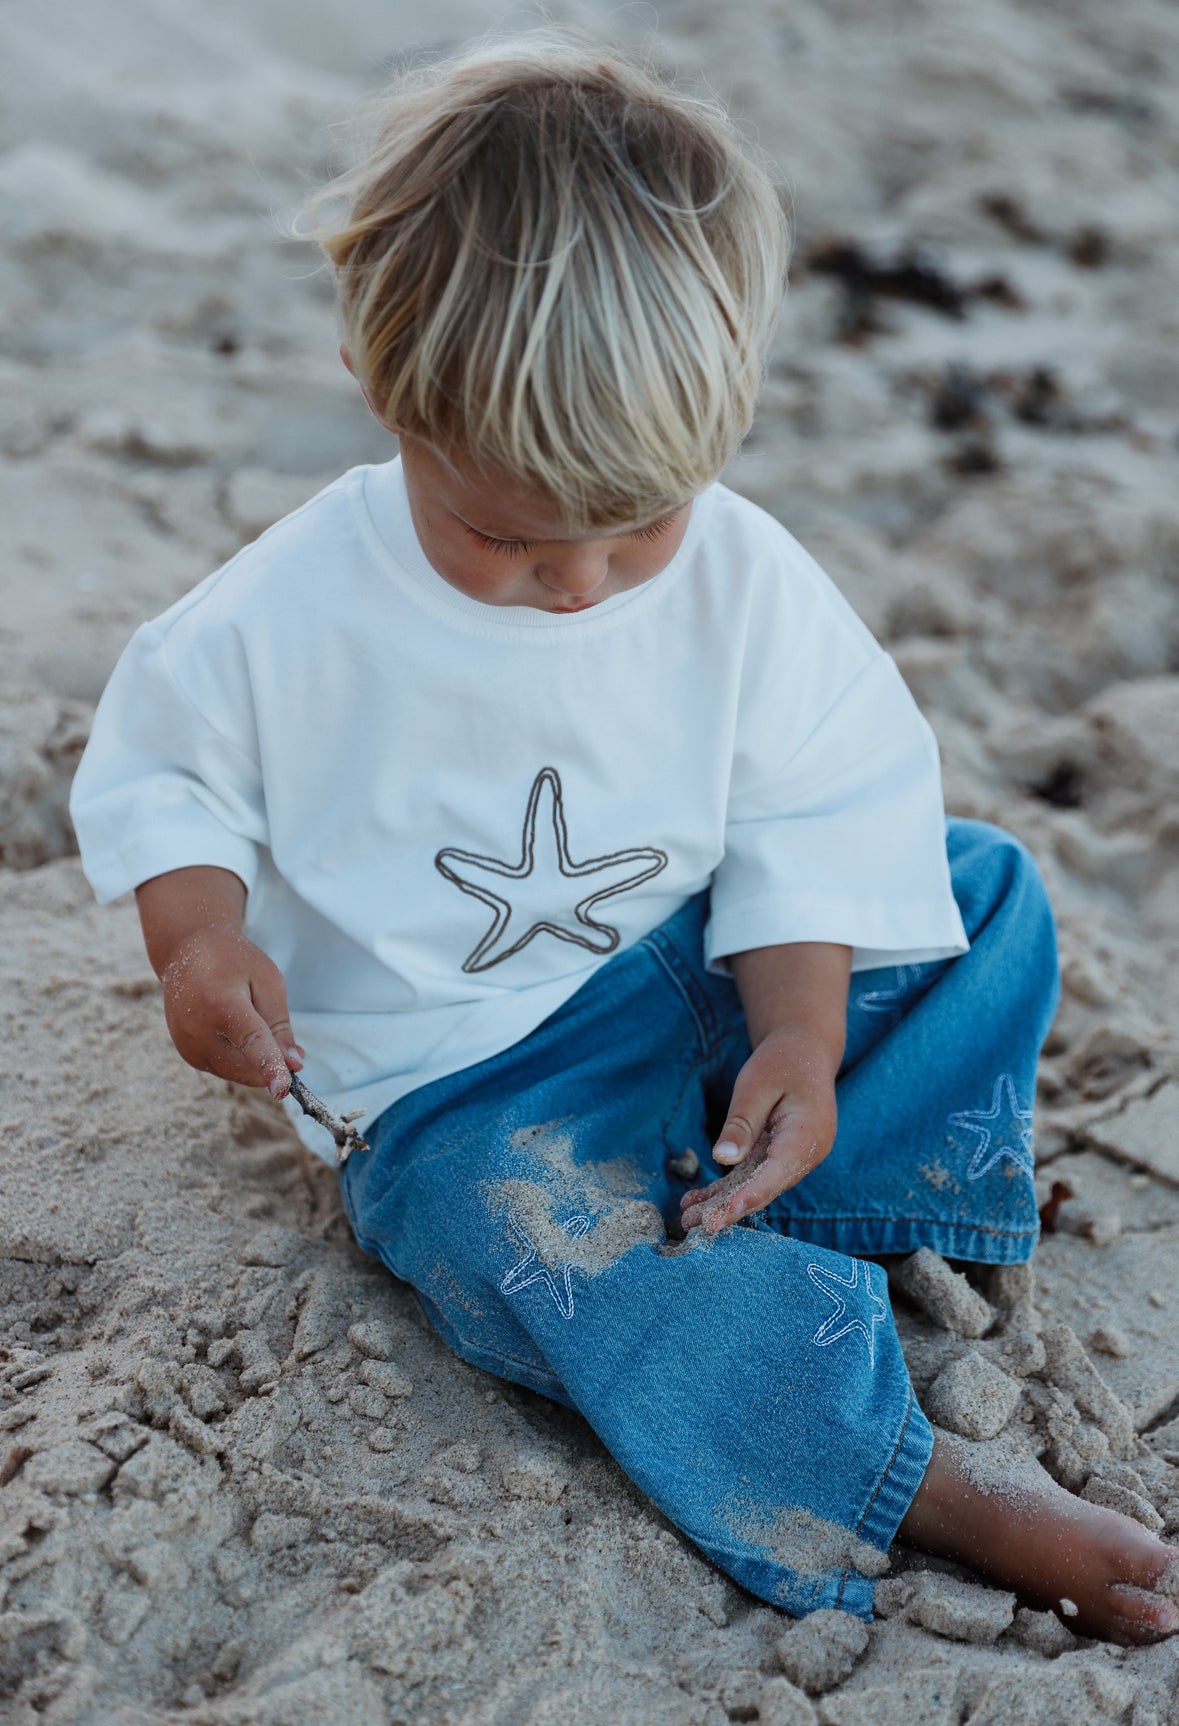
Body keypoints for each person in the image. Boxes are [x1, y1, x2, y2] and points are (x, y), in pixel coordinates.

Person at [69, 33, 1177, 1643]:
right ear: (393, 397)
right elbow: (170, 772)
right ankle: (897, 1469)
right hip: (466, 1077)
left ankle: (802, 1192)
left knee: (984, 897)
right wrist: (199, 941)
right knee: (522, 1238)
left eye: (637, 527)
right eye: (511, 537)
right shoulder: (281, 616)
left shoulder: (741, 575)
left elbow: (817, 796)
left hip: (697, 965)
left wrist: (798, 1022)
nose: (582, 585)